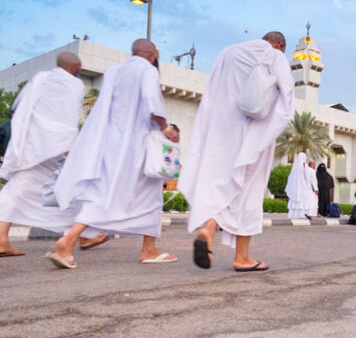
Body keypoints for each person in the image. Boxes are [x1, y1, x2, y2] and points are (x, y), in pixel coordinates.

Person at [48, 40, 180, 269]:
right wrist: (167, 129)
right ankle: (147, 250)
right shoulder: (147, 70)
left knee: (105, 194)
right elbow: (152, 103)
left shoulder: (114, 71)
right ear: (153, 55)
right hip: (136, 146)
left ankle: (70, 240)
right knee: (150, 196)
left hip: (109, 144)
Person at [181, 32, 293, 271]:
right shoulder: (274, 56)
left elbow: (210, 93)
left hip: (220, 131)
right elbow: (287, 99)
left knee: (222, 185)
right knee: (247, 194)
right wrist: (270, 131)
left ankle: (208, 228)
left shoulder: (228, 52)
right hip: (252, 133)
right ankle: (241, 257)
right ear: (280, 45)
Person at [0, 52, 108, 257]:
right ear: (74, 68)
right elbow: (67, 118)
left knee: (18, 189)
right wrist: (70, 146)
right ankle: (84, 236)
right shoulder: (74, 85)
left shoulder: (40, 79)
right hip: (57, 146)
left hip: (32, 145)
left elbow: (21, 109)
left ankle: (2, 239)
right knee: (75, 188)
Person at [286, 153, 314, 220]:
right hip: (303, 186)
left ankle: (293, 214)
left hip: (294, 187)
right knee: (302, 200)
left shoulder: (294, 165)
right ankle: (302, 214)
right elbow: (307, 176)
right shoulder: (304, 165)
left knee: (295, 199)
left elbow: (290, 177)